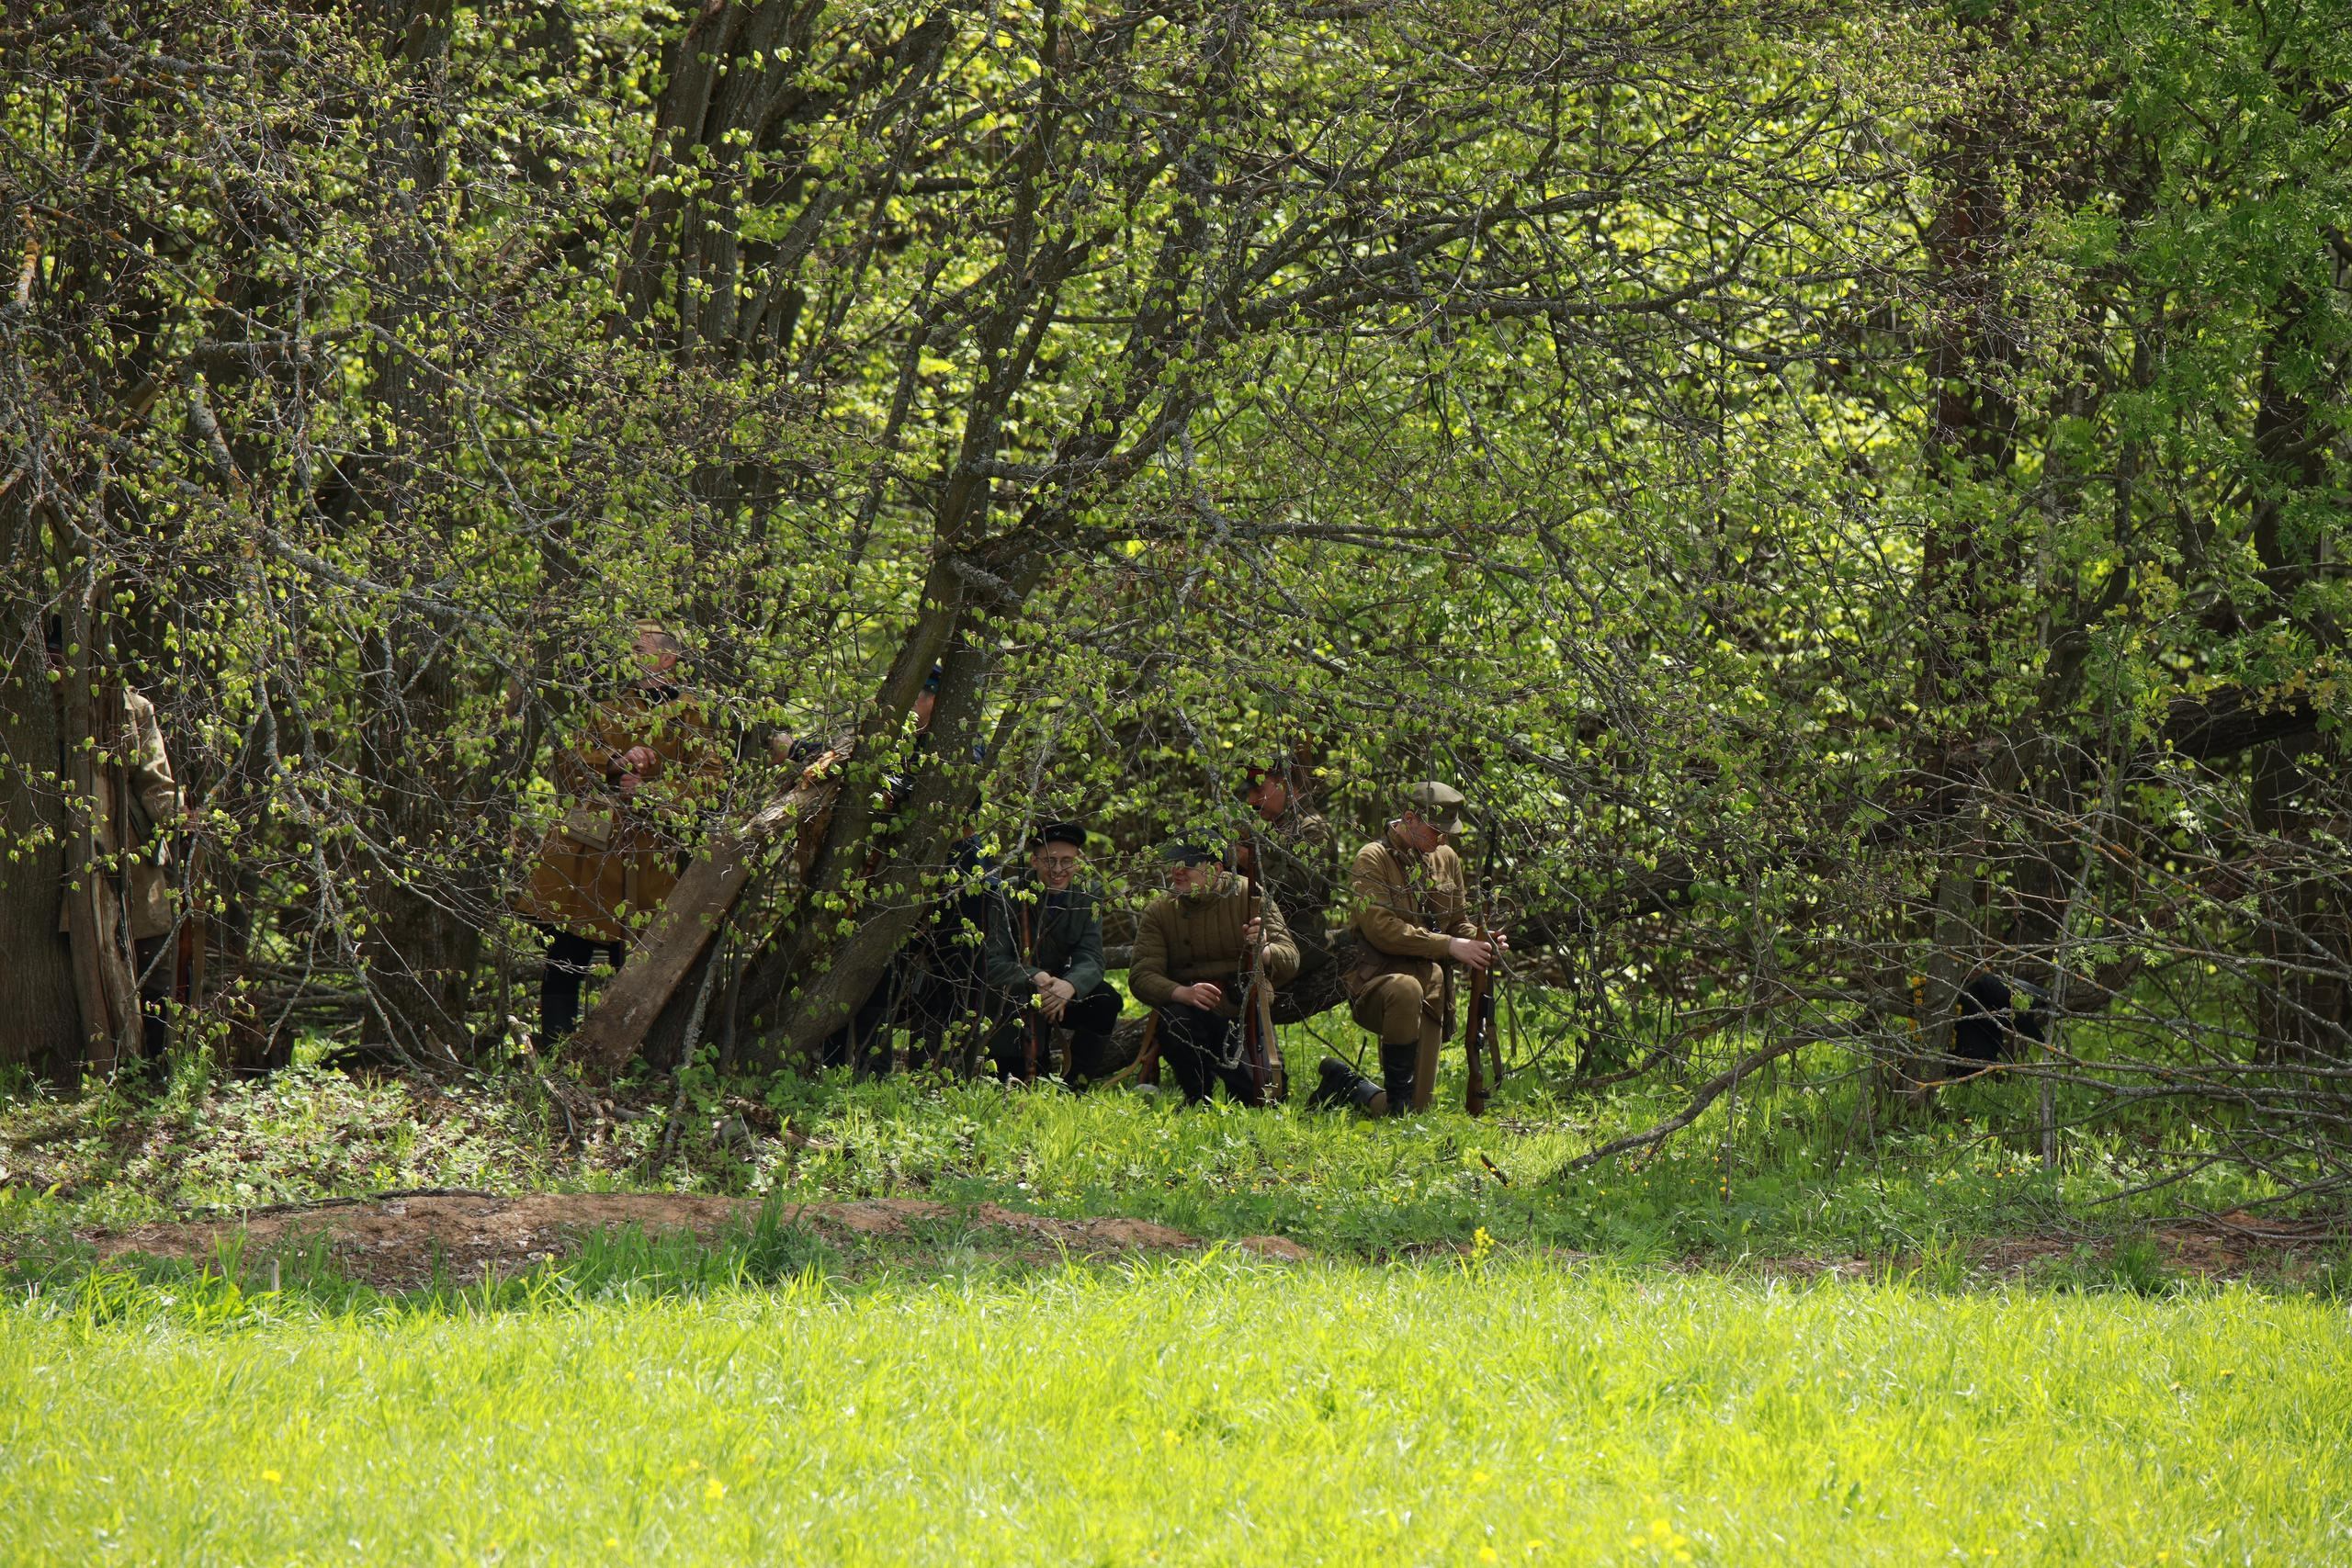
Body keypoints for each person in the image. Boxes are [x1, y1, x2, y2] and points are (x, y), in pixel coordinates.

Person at [514, 620, 723, 1043]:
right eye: (629, 650)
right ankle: (554, 1049)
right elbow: (568, 770)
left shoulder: (694, 714)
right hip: (589, 848)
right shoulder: (605, 709)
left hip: (654, 852)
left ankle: (629, 1053)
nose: (630, 658)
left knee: (638, 957)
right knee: (567, 949)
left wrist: (651, 788)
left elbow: (711, 784)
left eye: (639, 650)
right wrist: (614, 763)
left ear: (668, 658)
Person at [51, 624, 200, 1059]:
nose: (59, 666)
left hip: (131, 850)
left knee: (153, 959)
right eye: (54, 655)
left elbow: (154, 779)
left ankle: (156, 1063)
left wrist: (177, 819)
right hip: (62, 855)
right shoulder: (25, 710)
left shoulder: (132, 707)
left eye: (67, 655)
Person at [1340, 781, 1505, 1112]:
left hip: (1432, 989)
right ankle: (1388, 1098)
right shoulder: (1371, 859)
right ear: (1409, 818)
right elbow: (1381, 929)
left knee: (1416, 1110)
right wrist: (1450, 946)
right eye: (1435, 831)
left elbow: (1456, 921)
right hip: (1380, 984)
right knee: (1405, 988)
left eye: (1446, 833)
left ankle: (1349, 1086)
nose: (1441, 839)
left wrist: (1479, 940)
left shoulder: (1446, 858)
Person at [1127, 840, 1299, 1106]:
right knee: (1175, 1021)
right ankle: (1198, 1097)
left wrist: (1265, 948)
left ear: (1216, 869)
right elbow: (1141, 975)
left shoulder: (1249, 895)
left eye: (1188, 865)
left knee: (1267, 1099)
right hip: (1192, 1012)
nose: (1177, 872)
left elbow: (1290, 957)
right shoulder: (1160, 910)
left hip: (1243, 1012)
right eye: (1174, 864)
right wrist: (1182, 993)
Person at [980, 820, 1122, 1084]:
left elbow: (1091, 957)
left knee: (1106, 1000)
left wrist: (1070, 985)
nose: (1058, 870)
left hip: (1060, 994)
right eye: (1049, 861)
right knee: (1019, 1081)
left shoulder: (1087, 895)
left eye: (1066, 861)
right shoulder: (1009, 894)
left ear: (1078, 862)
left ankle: (1076, 1086)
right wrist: (1038, 978)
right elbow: (995, 963)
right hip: (1017, 995)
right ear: (1034, 862)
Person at [1235, 761, 1340, 1009]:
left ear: (1283, 784)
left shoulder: (1311, 829)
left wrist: (1250, 862)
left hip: (1300, 936)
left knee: (1240, 989)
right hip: (1266, 931)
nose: (1251, 801)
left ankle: (1262, 1047)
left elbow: (1304, 889)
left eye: (1259, 791)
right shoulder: (1272, 827)